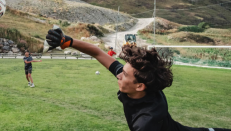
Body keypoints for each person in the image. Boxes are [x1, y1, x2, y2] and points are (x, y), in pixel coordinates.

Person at [46, 28, 230, 131]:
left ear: (140, 86)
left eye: (124, 74)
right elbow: (97, 52)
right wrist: (68, 42)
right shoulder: (143, 81)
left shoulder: (146, 121)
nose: (118, 74)